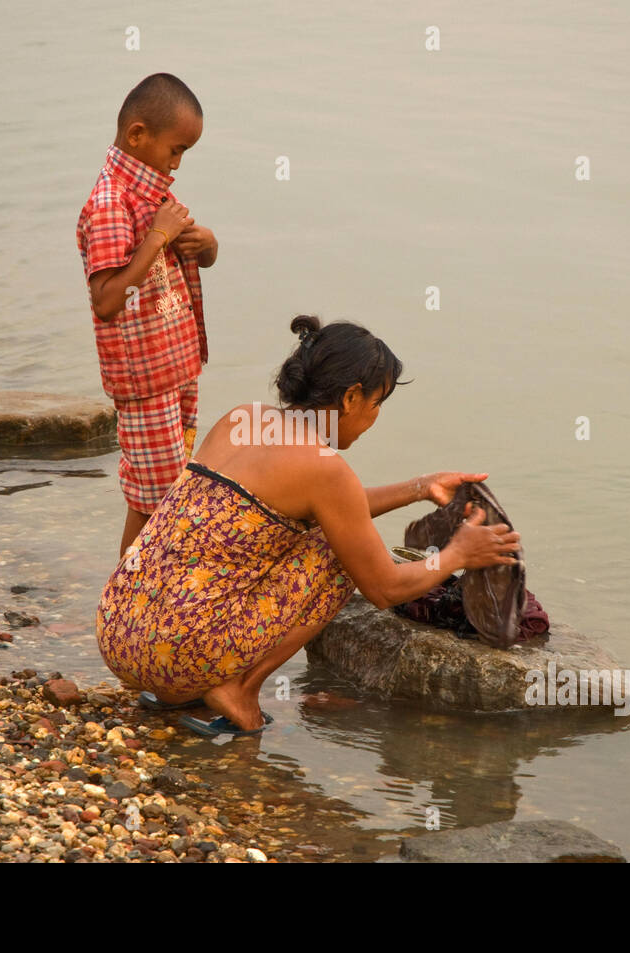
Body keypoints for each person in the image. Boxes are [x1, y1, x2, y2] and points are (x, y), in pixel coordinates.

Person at [95, 315, 522, 736]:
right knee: (340, 554)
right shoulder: (323, 469)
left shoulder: (242, 420)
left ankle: (181, 689)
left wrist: (419, 487)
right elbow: (384, 588)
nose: (374, 418)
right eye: (376, 403)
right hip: (173, 654)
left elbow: (333, 509)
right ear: (352, 397)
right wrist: (458, 555)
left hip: (119, 630)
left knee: (325, 535)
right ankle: (239, 690)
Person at [76, 73, 219, 559]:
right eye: (174, 149)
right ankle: (131, 607)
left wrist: (208, 246)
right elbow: (107, 299)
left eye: (184, 154)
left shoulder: (149, 194)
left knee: (159, 495)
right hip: (145, 381)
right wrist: (157, 238)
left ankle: (134, 604)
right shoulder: (112, 202)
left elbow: (187, 263)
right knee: (160, 504)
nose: (176, 164)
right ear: (137, 135)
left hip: (175, 369)